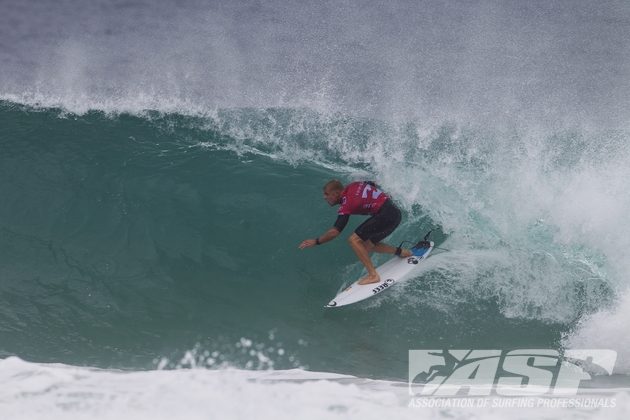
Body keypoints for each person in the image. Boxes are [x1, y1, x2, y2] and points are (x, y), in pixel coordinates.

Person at [298, 179, 412, 285]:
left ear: (336, 193)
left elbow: (334, 232)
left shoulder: (347, 204)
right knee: (367, 244)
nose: (324, 197)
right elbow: (372, 184)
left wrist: (316, 241)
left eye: (327, 194)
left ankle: (373, 275)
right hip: (394, 213)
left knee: (353, 240)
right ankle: (403, 252)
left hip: (386, 215)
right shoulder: (355, 185)